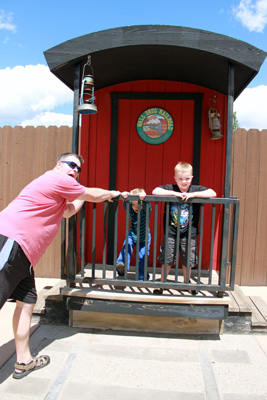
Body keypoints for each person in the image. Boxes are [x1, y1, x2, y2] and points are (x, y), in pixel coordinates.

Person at [0, 152, 124, 379]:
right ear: (59, 165)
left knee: (26, 304)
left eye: (78, 169)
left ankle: (24, 361)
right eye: (71, 165)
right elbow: (93, 194)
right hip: (10, 241)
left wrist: (85, 196)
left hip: (25, 256)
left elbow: (69, 211)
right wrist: (113, 193)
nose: (75, 170)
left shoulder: (60, 192)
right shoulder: (56, 178)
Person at [152, 161, 216, 295]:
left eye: (187, 178)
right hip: (171, 231)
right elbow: (155, 191)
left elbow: (213, 193)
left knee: (188, 258)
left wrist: (193, 195)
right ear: (175, 178)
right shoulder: (172, 188)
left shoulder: (196, 190)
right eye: (180, 179)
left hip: (189, 232)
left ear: (191, 178)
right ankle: (162, 283)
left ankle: (187, 283)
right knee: (167, 258)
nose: (184, 181)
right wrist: (174, 194)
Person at [116, 188, 151, 281]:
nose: (136, 207)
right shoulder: (132, 211)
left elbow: (148, 206)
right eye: (134, 204)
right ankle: (121, 266)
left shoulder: (145, 211)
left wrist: (144, 199)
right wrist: (125, 197)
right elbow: (126, 205)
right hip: (133, 234)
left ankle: (142, 277)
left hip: (144, 238)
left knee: (142, 256)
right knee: (127, 244)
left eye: (139, 204)